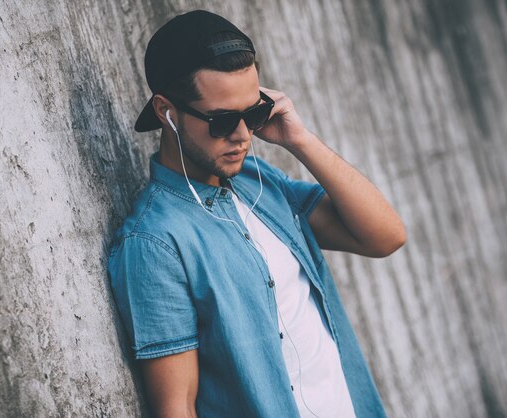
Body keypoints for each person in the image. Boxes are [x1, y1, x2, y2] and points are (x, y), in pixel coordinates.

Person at [108, 9, 406, 418]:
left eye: (253, 114)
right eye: (223, 120)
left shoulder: (258, 181)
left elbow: (385, 237)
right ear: (166, 112)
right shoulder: (155, 243)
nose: (243, 135)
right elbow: (176, 408)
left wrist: (299, 139)